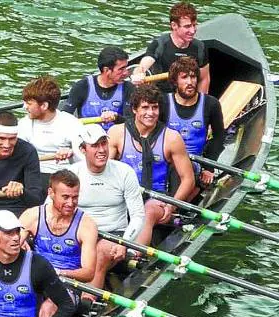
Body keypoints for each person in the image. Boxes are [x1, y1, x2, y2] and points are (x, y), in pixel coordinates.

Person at [108, 84, 194, 246]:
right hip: (124, 193)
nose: (151, 113)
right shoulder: (116, 133)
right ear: (134, 109)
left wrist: (172, 205)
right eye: (145, 107)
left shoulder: (172, 138)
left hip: (156, 198)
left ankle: (135, 255)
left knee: (145, 212)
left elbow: (188, 179)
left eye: (155, 108)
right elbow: (104, 170)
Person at [68, 125, 145, 289]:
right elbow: (48, 210)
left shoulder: (124, 172)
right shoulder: (71, 174)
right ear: (83, 150)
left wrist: (124, 242)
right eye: (95, 146)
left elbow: (138, 215)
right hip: (80, 234)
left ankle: (89, 300)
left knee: (100, 251)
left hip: (113, 235)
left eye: (103, 144)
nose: (101, 150)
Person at [19, 169, 97, 317]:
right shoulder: (32, 215)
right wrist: (20, 248)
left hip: (67, 284)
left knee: (47, 309)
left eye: (75, 197)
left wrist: (59, 272)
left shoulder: (86, 224)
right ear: (51, 193)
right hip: (36, 279)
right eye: (65, 197)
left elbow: (89, 273)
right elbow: (10, 249)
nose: (71, 203)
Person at [162, 56, 224, 200]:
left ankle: (172, 207)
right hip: (166, 158)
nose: (190, 82)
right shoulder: (163, 102)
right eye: (184, 77)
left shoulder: (211, 104)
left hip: (193, 161)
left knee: (181, 168)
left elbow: (219, 136)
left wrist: (209, 167)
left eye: (193, 77)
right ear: (174, 81)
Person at [17, 76, 85, 199]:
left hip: (64, 176)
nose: (24, 107)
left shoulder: (71, 124)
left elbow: (84, 162)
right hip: (34, 175)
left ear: (44, 106)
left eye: (29, 103)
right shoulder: (24, 124)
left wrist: (72, 153)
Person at [132, 1, 210, 94]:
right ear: (174, 25)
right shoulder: (159, 44)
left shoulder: (200, 47)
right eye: (187, 26)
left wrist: (201, 103)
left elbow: (204, 79)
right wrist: (138, 73)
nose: (192, 31)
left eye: (194, 25)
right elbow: (143, 65)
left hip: (187, 97)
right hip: (161, 96)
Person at [0, 111, 42, 218]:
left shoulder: (28, 151)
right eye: (2, 138)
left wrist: (22, 191)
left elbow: (36, 199)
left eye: (12, 139)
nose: (7, 145)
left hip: (20, 208)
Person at [62, 46, 135, 131]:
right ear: (106, 70)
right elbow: (65, 117)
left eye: (126, 67)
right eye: (121, 69)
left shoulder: (129, 89)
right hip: (88, 138)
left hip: (116, 139)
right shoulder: (82, 86)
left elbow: (132, 122)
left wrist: (116, 117)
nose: (126, 72)